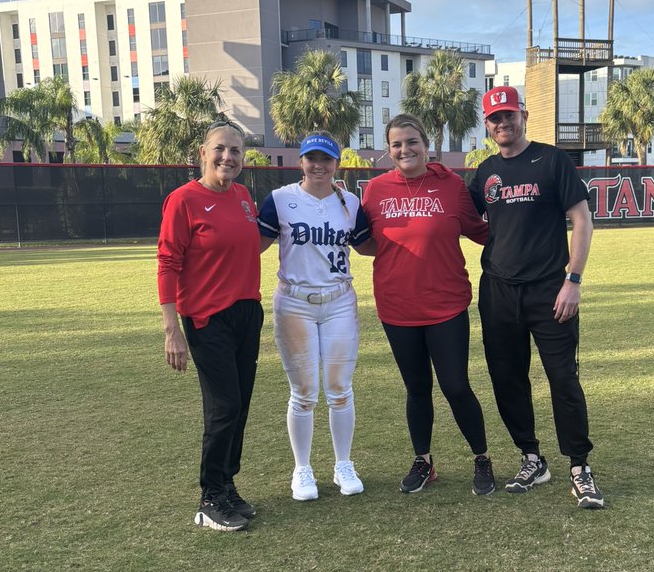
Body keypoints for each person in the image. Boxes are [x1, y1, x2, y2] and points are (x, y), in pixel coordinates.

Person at [470, 86, 604, 509]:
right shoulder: (486, 171)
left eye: (509, 115)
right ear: (487, 124)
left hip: (551, 290)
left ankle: (580, 467)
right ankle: (532, 458)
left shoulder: (551, 160)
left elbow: (582, 220)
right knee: (508, 379)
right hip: (498, 290)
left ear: (524, 115)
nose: (503, 123)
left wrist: (574, 279)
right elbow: (471, 220)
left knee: (563, 378)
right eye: (495, 117)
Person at [361, 113, 495, 495]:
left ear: (426, 145)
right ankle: (424, 461)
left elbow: (479, 230)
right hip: (396, 307)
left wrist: (528, 238)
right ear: (389, 151)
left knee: (455, 385)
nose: (405, 149)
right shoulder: (375, 190)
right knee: (416, 387)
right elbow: (365, 241)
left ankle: (482, 458)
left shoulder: (450, 186)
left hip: (446, 305)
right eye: (397, 144)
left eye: (412, 142)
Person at [157, 121, 264, 532]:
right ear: (203, 153)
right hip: (206, 318)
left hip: (245, 313)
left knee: (241, 405)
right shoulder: (183, 200)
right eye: (220, 149)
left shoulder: (242, 197)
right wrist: (172, 330)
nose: (228, 158)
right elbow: (168, 263)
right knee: (224, 407)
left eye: (236, 151)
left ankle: (226, 483)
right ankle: (209, 497)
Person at [257, 133, 370, 501]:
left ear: (337, 163)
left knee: (340, 389)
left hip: (338, 301)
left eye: (326, 159)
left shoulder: (350, 202)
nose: (318, 165)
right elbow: (250, 245)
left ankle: (343, 464)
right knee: (304, 392)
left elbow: (369, 245)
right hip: (294, 303)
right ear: (301, 161)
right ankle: (302, 469)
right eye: (311, 158)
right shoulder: (281, 199)